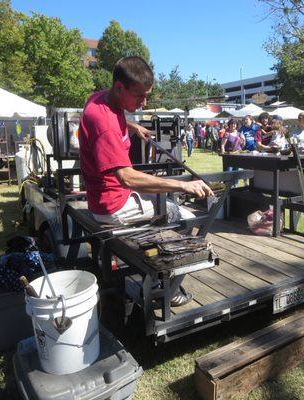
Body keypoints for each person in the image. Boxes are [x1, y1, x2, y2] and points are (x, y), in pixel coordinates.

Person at [78, 56, 213, 305]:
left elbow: (112, 118)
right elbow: (127, 177)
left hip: (107, 196)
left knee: (166, 203)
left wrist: (131, 126)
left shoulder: (99, 99)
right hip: (113, 204)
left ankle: (153, 268)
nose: (144, 102)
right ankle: (162, 284)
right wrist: (183, 185)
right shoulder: (105, 124)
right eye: (140, 96)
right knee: (182, 216)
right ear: (119, 87)